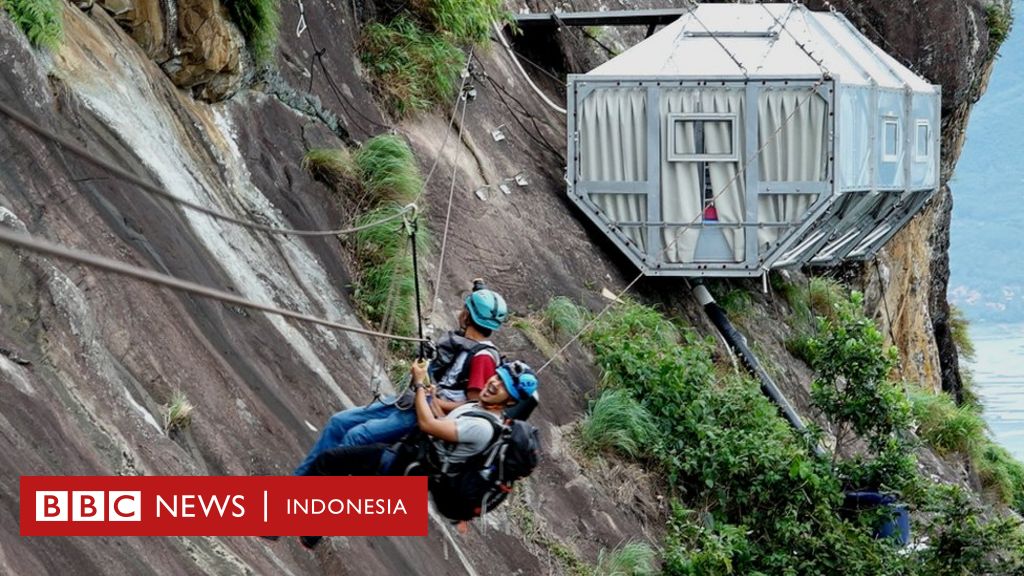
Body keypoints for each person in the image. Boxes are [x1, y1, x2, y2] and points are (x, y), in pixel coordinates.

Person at [296, 358, 539, 549]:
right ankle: (308, 534)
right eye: (497, 376)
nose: (494, 383)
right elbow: (440, 418)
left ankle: (286, 521)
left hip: (406, 468)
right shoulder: (477, 407)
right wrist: (429, 393)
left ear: (510, 401)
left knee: (329, 463)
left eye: (503, 385)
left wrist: (421, 384)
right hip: (408, 462)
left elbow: (428, 425)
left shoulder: (483, 426)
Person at [292, 281, 508, 476]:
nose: (461, 312)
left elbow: (473, 407)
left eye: (465, 309)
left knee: (356, 436)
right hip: (410, 401)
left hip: (421, 413)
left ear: (468, 316)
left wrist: (429, 393)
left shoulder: (483, 358)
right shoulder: (462, 341)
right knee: (339, 423)